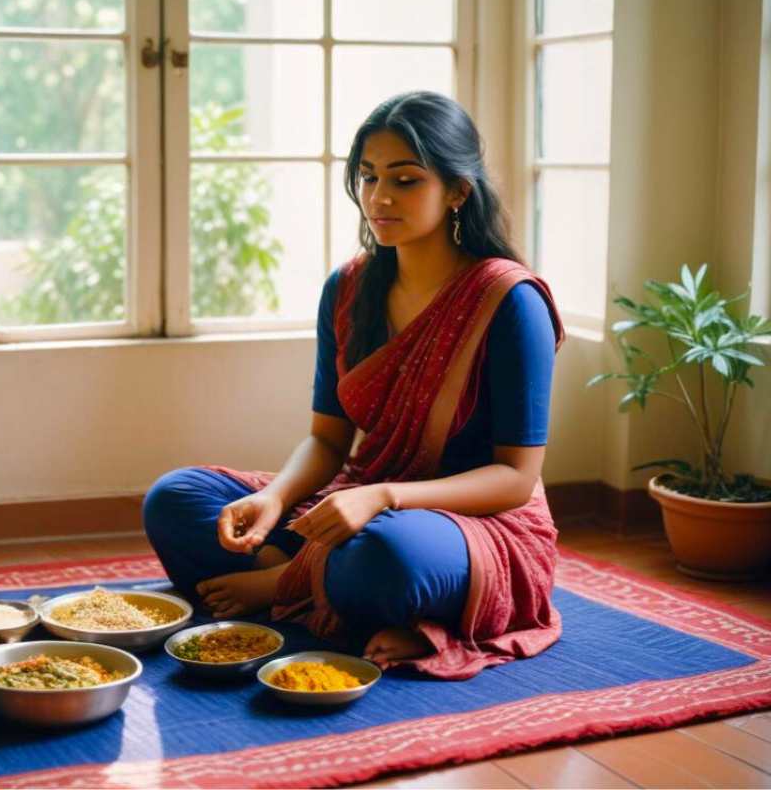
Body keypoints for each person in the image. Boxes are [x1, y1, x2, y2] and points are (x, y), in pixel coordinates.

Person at [143, 91, 566, 680]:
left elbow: (516, 480)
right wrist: (277, 499)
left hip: (475, 524)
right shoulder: (348, 287)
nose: (379, 197)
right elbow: (326, 441)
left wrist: (385, 498)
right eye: (367, 177)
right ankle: (335, 593)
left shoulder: (509, 301)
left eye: (406, 179)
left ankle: (283, 585)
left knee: (385, 556)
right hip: (360, 498)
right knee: (175, 497)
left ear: (458, 191)